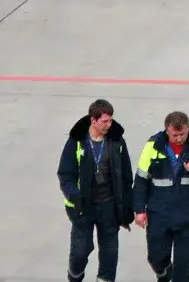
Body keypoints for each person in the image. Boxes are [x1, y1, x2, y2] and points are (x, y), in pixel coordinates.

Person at [133, 111, 189, 282]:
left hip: (187, 218)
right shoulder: (151, 147)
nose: (179, 138)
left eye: (182, 134)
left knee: (183, 267)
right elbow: (141, 180)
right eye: (175, 135)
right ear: (166, 130)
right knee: (155, 258)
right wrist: (139, 210)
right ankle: (164, 273)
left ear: (188, 129)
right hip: (159, 216)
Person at [58, 99, 135, 282]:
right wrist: (73, 196)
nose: (109, 125)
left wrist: (127, 205)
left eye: (110, 120)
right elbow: (65, 174)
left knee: (110, 252)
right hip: (84, 206)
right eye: (105, 121)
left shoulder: (117, 141)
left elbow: (126, 175)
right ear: (93, 120)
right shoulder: (76, 141)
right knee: (80, 251)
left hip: (109, 204)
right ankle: (75, 275)